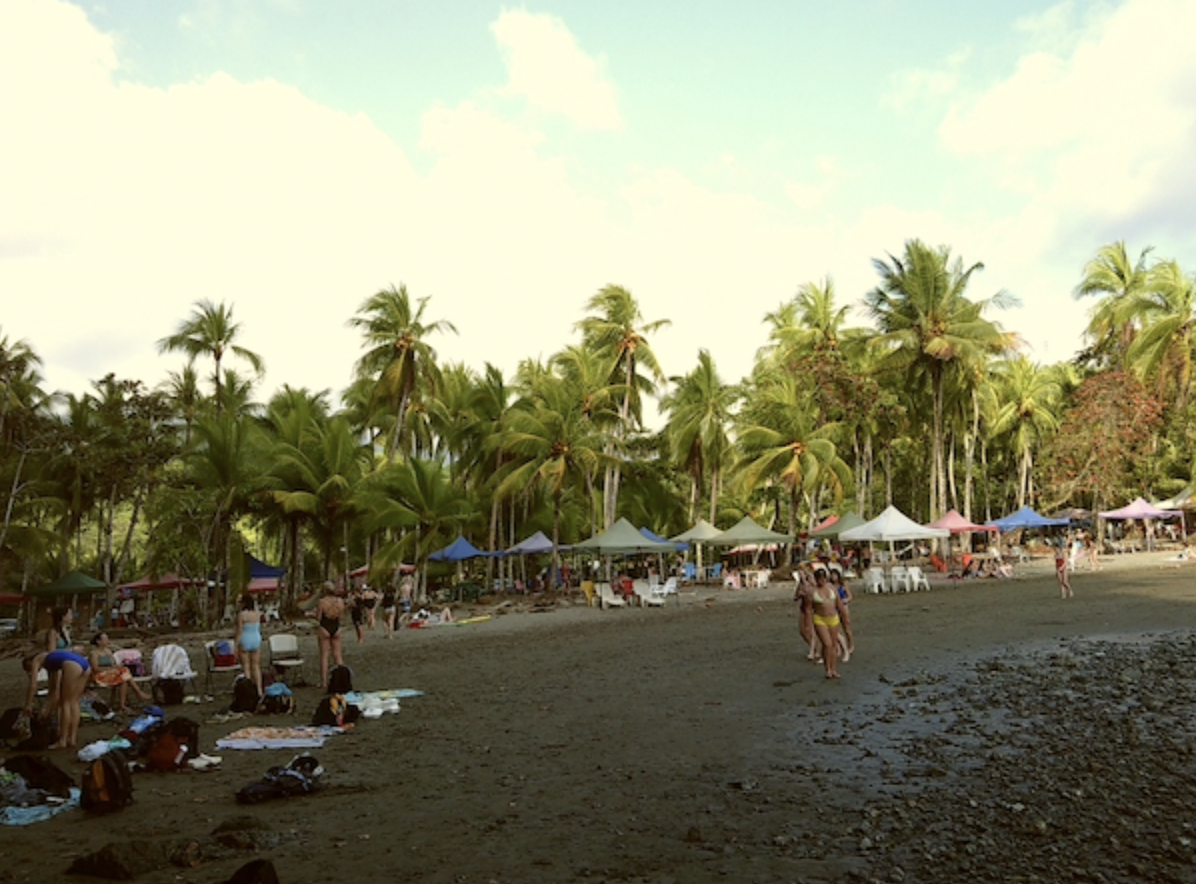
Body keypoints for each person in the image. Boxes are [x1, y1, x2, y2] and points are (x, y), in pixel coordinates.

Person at [24, 648, 89, 749]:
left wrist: (28, 704)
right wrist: (47, 707)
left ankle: (62, 740)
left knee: (65, 703)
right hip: (85, 665)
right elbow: (54, 688)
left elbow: (33, 685)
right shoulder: (52, 659)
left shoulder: (37, 659)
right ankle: (72, 739)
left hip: (72, 665)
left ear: (29, 661)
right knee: (74, 702)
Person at [88, 632, 151, 712]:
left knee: (123, 678)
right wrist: (109, 670)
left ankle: (123, 705)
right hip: (100, 675)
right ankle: (138, 693)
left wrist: (115, 668)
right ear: (98, 641)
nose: (107, 641)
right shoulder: (94, 653)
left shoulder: (108, 651)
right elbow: (95, 668)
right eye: (105, 639)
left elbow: (113, 664)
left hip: (111, 674)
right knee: (124, 674)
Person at [809, 569, 848, 679]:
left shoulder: (832, 588)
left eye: (823, 579)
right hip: (820, 618)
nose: (822, 581)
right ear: (816, 580)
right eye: (820, 579)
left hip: (833, 617)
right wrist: (809, 622)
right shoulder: (813, 591)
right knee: (827, 644)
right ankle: (828, 669)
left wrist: (843, 616)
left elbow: (839, 604)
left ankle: (833, 669)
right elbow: (808, 608)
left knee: (834, 644)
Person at [314, 581, 346, 689]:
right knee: (338, 655)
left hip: (325, 627)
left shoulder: (322, 602)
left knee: (324, 656)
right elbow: (341, 616)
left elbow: (318, 617)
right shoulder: (340, 601)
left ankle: (324, 682)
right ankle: (342, 679)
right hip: (336, 627)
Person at [236, 593, 264, 699]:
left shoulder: (242, 615)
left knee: (246, 667)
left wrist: (236, 644)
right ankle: (259, 690)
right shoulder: (257, 613)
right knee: (256, 666)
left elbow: (239, 631)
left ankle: (248, 691)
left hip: (245, 638)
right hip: (256, 638)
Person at [829, 568, 855, 659]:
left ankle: (851, 645)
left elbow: (850, 596)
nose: (833, 577)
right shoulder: (830, 586)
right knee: (836, 629)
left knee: (846, 627)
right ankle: (838, 647)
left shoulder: (843, 585)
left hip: (843, 607)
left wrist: (845, 600)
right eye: (832, 575)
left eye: (835, 575)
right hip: (834, 608)